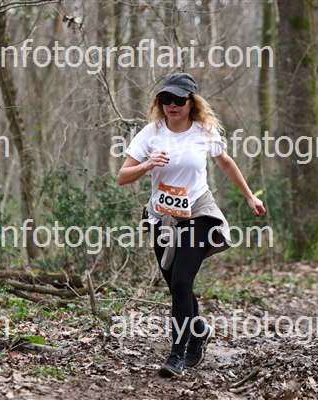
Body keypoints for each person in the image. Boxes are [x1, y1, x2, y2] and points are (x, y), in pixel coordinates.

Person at [117, 72, 265, 377]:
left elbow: (225, 161)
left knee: (182, 282)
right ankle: (200, 331)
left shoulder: (204, 132)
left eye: (179, 100)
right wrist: (147, 164)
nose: (172, 105)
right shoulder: (150, 134)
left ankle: (177, 354)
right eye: (166, 99)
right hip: (161, 218)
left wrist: (250, 196)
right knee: (176, 286)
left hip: (198, 213)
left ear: (191, 102)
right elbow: (122, 176)